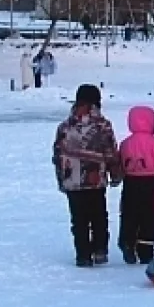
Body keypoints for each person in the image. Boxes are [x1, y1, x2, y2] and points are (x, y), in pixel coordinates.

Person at [52, 84, 122, 266]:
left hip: (72, 181)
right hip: (95, 180)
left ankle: (83, 254)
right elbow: (110, 152)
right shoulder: (102, 125)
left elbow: (58, 155)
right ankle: (99, 249)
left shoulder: (64, 127)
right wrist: (115, 173)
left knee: (79, 220)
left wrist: (61, 179)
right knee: (99, 216)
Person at [117, 105, 154, 264]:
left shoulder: (125, 143)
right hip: (150, 183)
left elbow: (120, 163)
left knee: (129, 214)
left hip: (130, 182)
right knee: (151, 216)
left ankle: (127, 242)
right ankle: (145, 248)